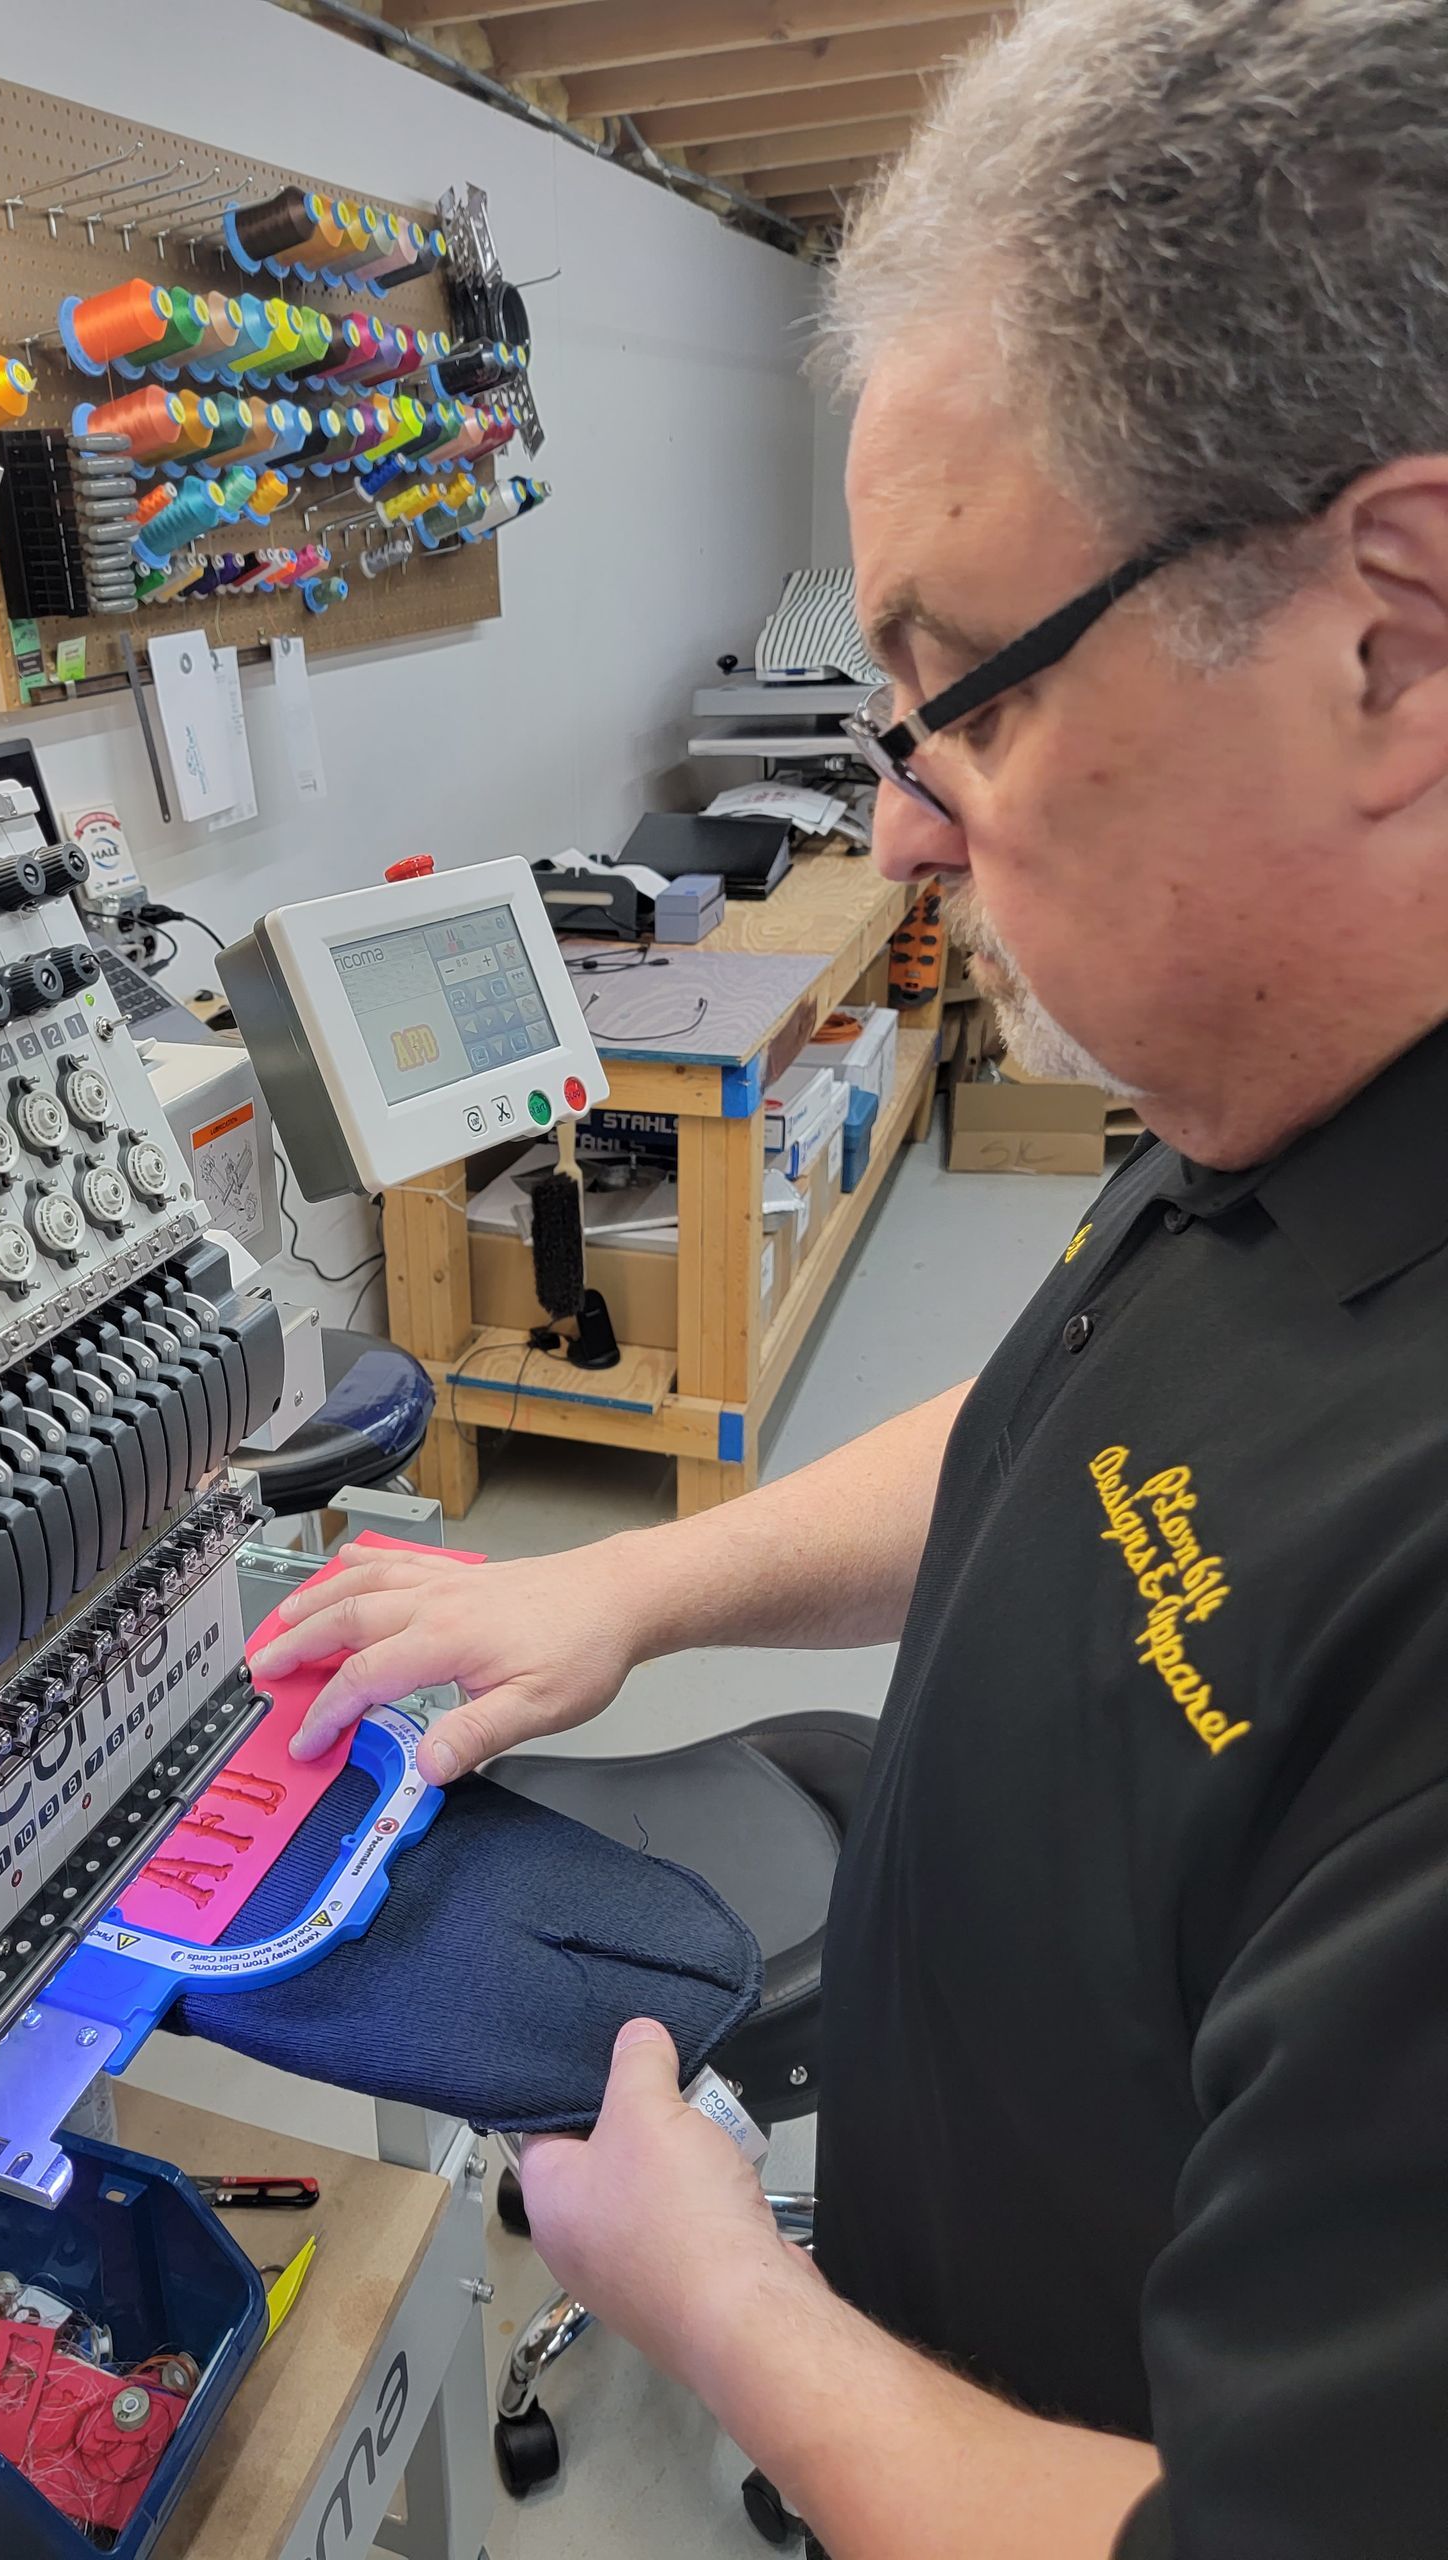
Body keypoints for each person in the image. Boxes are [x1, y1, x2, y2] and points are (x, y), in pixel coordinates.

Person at [251, 1, 1448, 2548]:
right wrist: (646, 1587)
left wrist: (727, 2316)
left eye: (959, 696)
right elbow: (1086, 1426)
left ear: (1395, 639)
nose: (903, 836)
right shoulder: (1287, 1097)